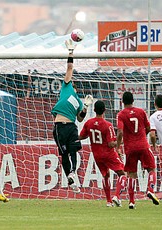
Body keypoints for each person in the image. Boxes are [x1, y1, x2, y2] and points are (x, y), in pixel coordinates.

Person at [51, 39, 93, 193]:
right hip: (59, 126)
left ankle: (72, 174)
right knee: (64, 154)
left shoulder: (79, 101)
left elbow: (81, 118)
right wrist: (70, 52)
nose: (70, 80)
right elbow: (69, 68)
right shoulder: (66, 87)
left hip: (72, 126)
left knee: (74, 151)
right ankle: (69, 175)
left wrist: (86, 107)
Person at [79, 100, 127, 207]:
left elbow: (82, 136)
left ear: (94, 110)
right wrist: (122, 141)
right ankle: (117, 197)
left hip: (96, 155)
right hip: (108, 154)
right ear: (104, 110)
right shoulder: (107, 125)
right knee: (123, 173)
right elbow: (110, 144)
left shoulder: (89, 123)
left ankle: (109, 202)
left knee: (106, 176)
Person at [116, 91, 159, 209]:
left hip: (130, 148)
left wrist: (118, 146)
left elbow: (119, 131)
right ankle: (150, 189)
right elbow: (149, 128)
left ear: (122, 102)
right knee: (152, 169)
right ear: (133, 100)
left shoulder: (121, 114)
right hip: (143, 145)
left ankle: (131, 202)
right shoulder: (141, 112)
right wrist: (142, 136)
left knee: (131, 175)